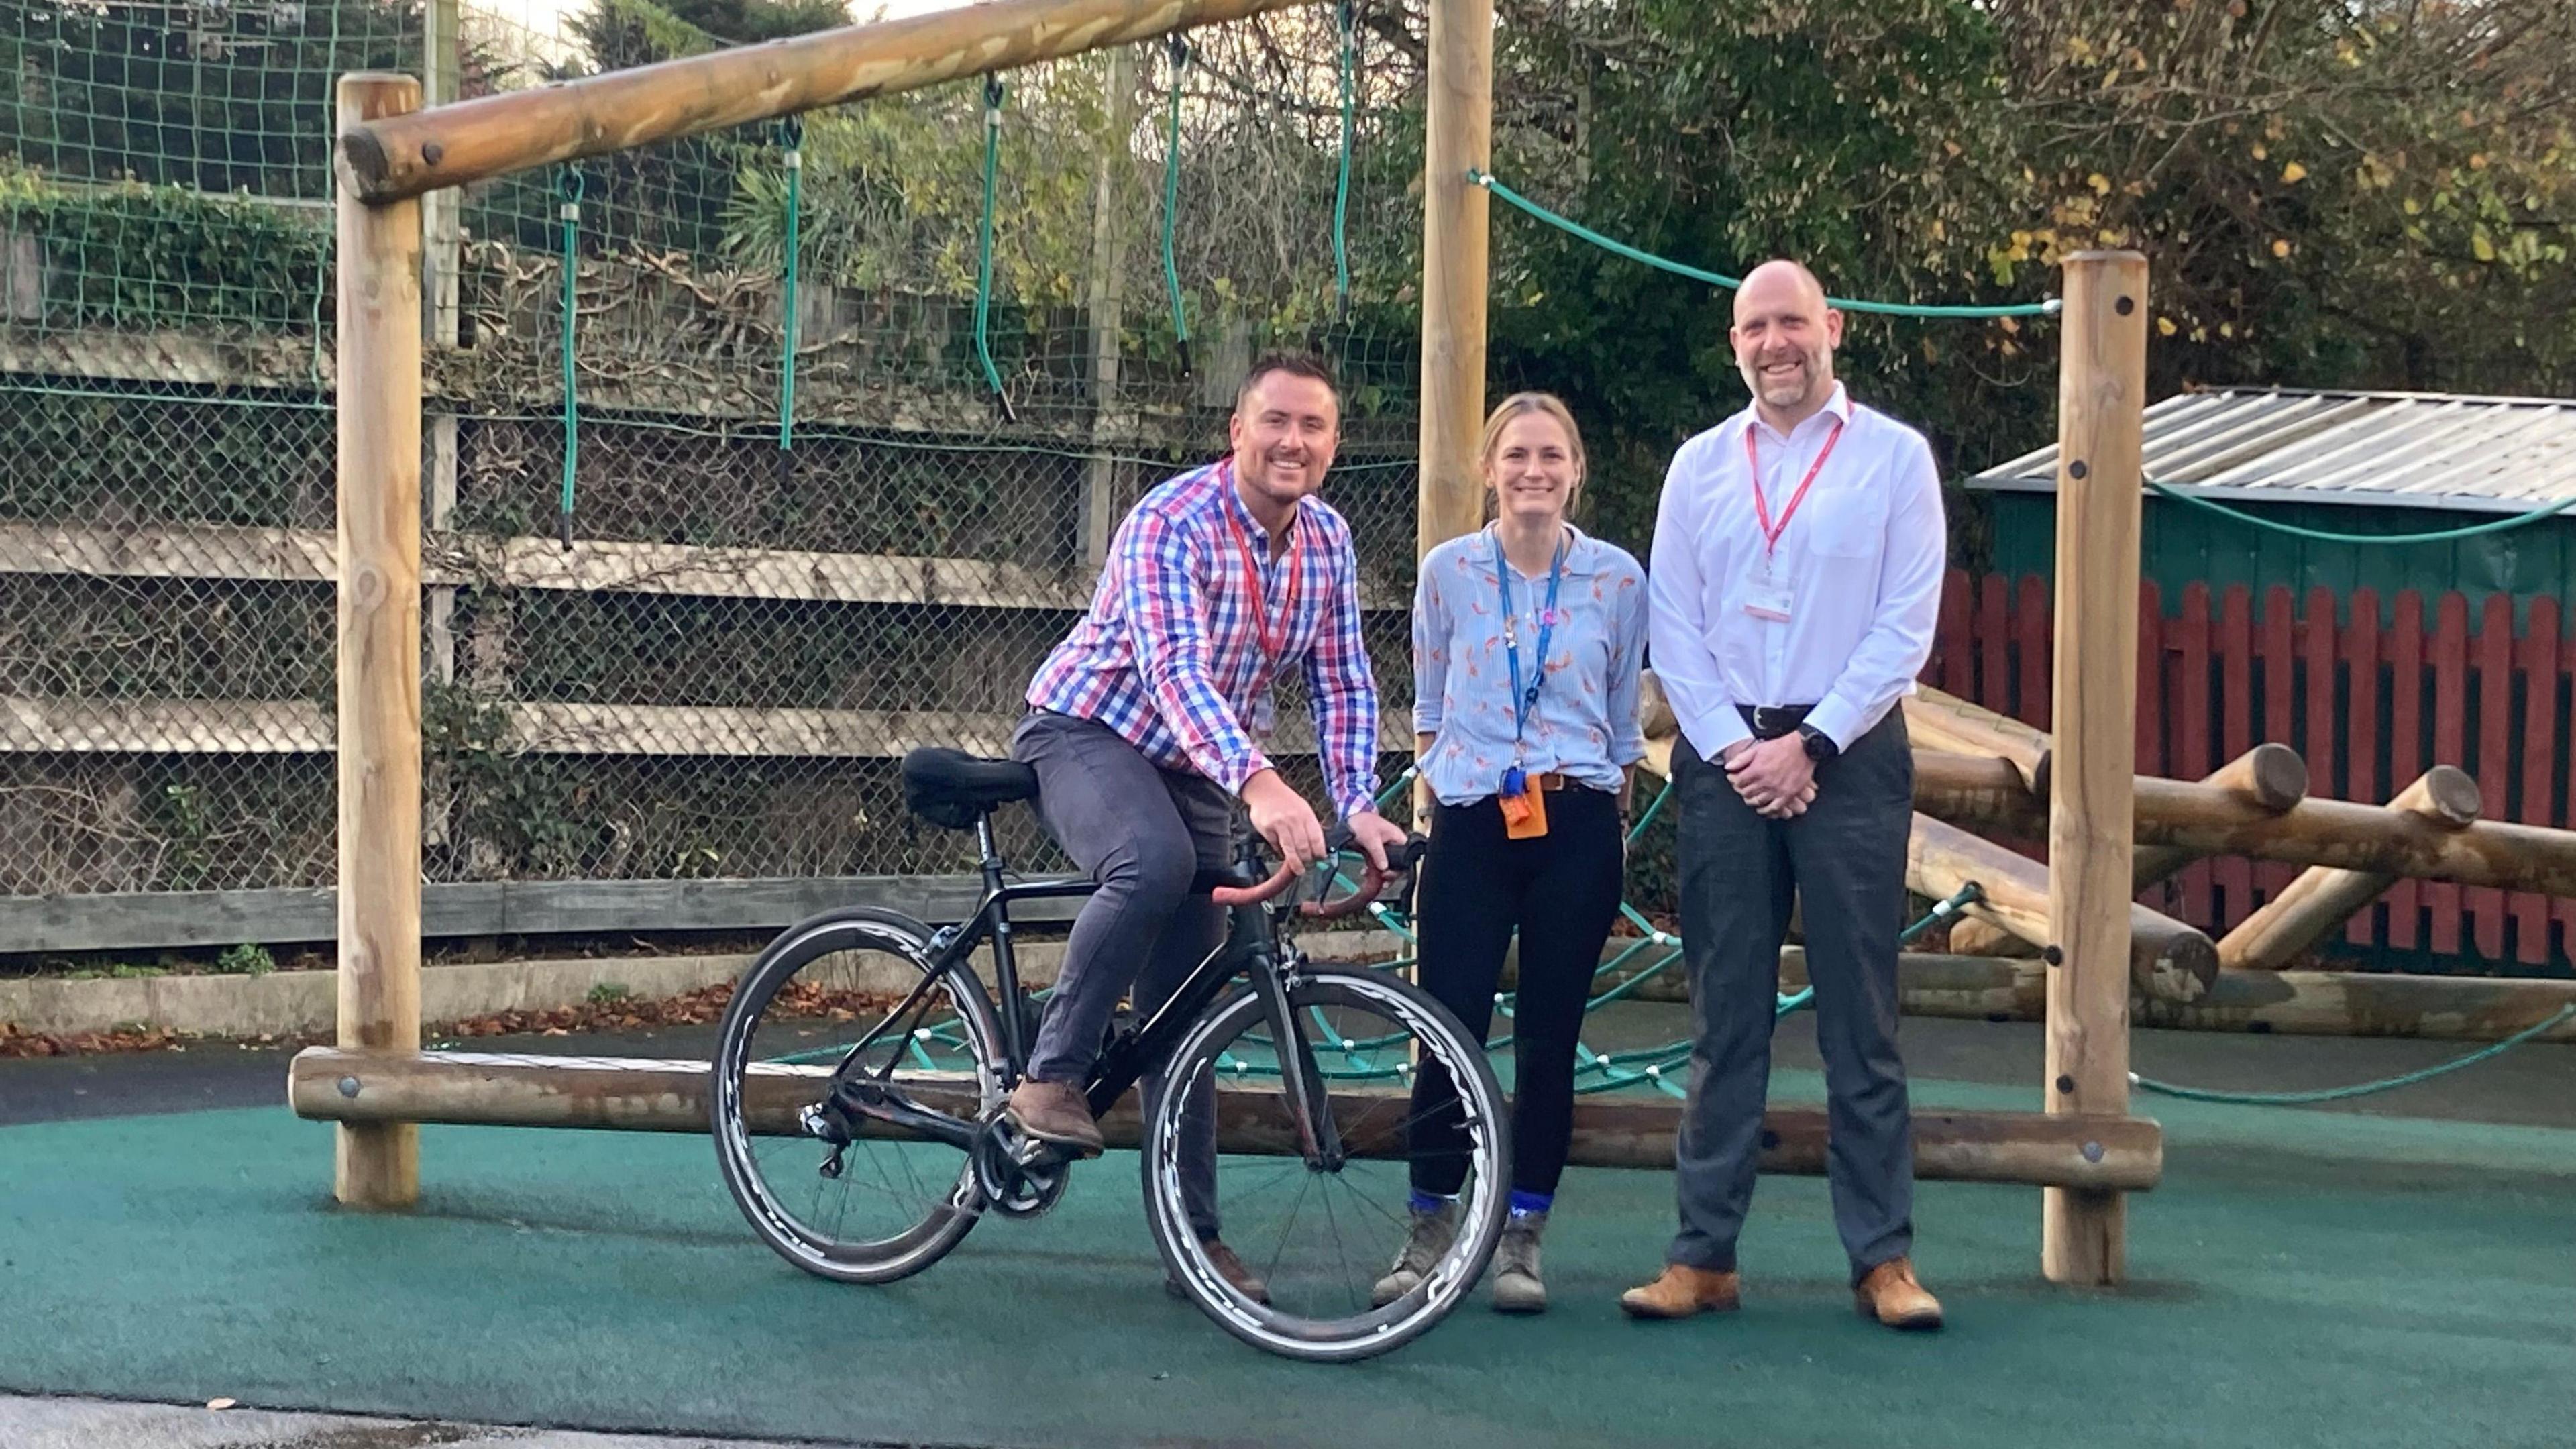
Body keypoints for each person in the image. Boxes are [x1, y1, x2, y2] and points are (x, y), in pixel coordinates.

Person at [1007, 351, 1410, 1304]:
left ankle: (1196, 1241)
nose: (1293, 442)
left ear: (1333, 446)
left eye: (1313, 427)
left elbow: (1343, 676)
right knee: (1153, 860)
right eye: (1275, 421)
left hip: (1195, 763)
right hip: (1087, 731)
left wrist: (1356, 801)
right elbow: (1175, 671)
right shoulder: (1169, 522)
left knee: (1184, 1012)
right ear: (1237, 432)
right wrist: (1263, 785)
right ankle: (1048, 1079)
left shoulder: (1328, 540)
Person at [1621, 260, 1949, 1330]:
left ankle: (1883, 1261)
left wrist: (1808, 742)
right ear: (1735, 343)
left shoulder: (1896, 460)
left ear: (1833, 329)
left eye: (1793, 322)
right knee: (1726, 1018)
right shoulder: (1700, 465)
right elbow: (1673, 620)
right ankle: (1702, 1255)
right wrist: (1731, 748)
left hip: (1847, 754)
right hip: (1724, 764)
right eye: (1756, 326)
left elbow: (1905, 625)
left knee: (1863, 1016)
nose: (1776, 343)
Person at [1371, 393, 1647, 1315]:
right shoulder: (1449, 572)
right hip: (1474, 820)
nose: (1534, 471)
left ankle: (1522, 1237)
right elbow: (1429, 703)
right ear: (1489, 469)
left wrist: (1605, 811)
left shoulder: (1615, 579)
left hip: (1573, 822)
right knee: (1447, 1027)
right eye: (1517, 455)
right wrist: (1443, 798)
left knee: (1549, 1038)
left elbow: (1620, 722)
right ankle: (1429, 1228)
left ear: (1576, 471)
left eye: (1552, 456)